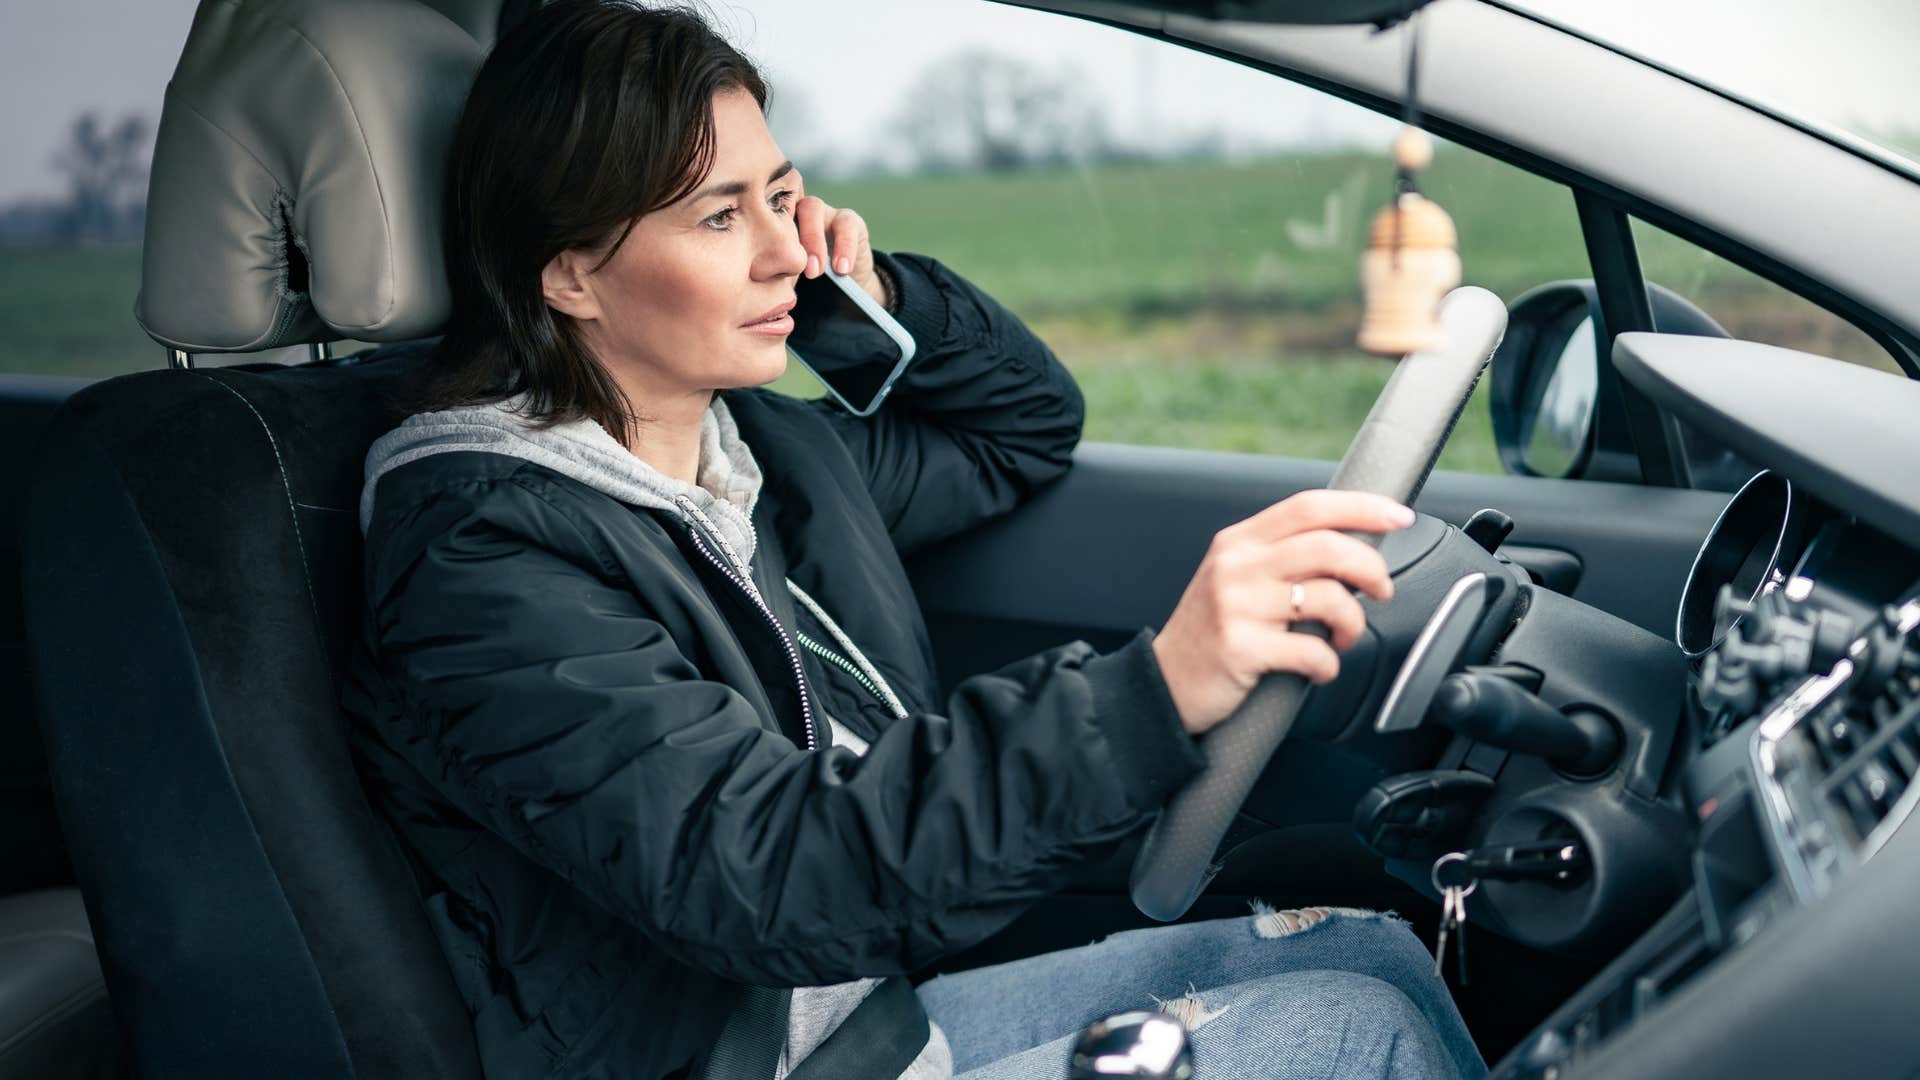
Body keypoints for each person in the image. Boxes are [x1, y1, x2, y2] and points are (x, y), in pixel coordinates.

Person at [340, 2, 1488, 1078]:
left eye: (784, 197)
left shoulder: (761, 453)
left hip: (878, 1010)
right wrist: (1156, 691)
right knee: (1356, 1027)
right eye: (719, 215)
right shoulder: (480, 556)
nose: (785, 250)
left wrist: (873, 292)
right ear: (575, 275)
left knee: (1377, 954)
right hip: (758, 1056)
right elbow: (771, 877)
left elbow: (1023, 430)